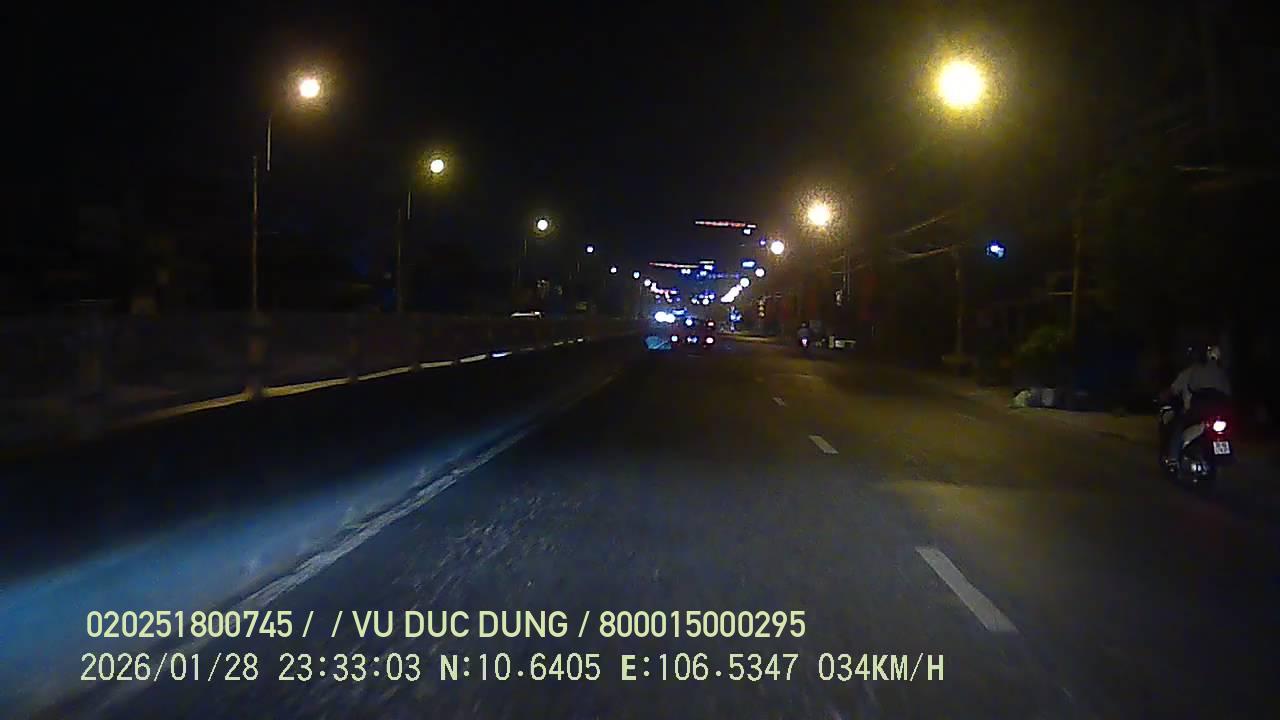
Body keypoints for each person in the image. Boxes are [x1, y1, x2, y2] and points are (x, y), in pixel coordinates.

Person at [1160, 344, 1232, 465]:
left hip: (1200, 410)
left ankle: (1173, 458)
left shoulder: (1193, 370)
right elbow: (1228, 392)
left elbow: (1178, 389)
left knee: (1178, 424)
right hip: (1220, 412)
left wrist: (1164, 396)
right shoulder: (1221, 372)